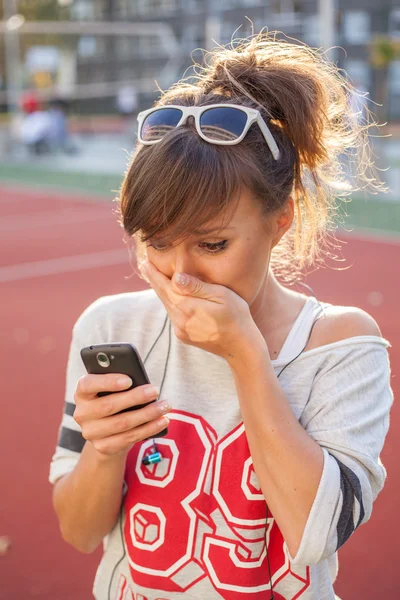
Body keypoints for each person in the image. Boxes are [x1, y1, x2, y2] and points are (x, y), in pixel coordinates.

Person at [49, 32, 394, 600]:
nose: (180, 276)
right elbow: (79, 531)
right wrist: (106, 449)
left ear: (280, 219)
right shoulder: (111, 328)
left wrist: (246, 356)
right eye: (157, 242)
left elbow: (316, 535)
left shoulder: (341, 344)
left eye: (212, 245)